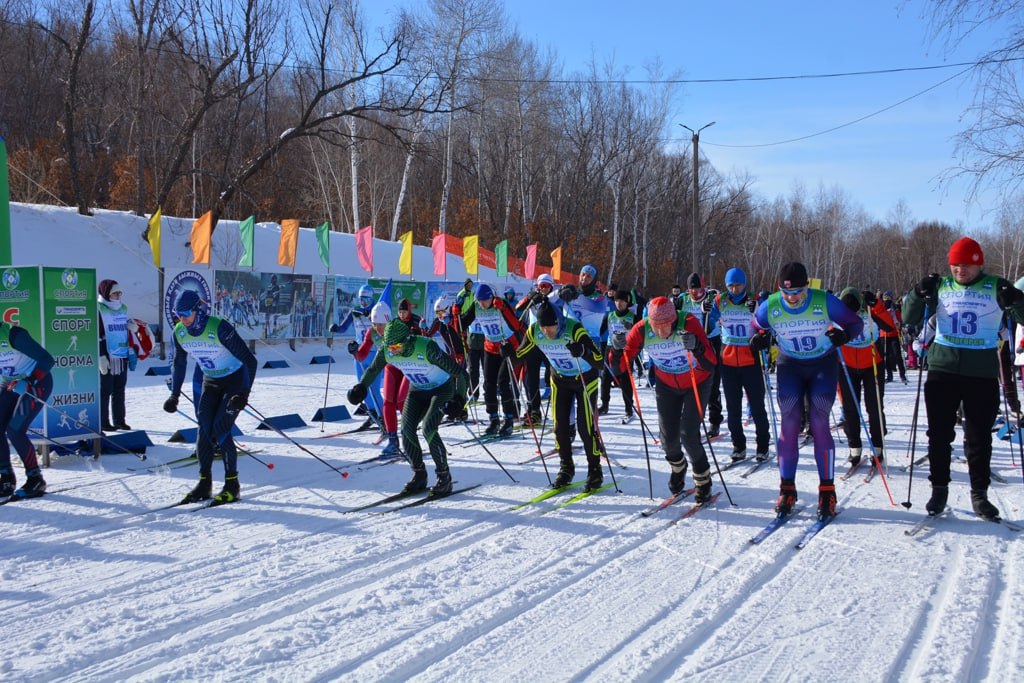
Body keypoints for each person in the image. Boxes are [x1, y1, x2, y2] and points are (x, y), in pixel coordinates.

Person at [902, 237, 1024, 519]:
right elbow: (910, 315)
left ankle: (979, 495)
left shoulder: (995, 285)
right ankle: (939, 489)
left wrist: (1016, 300)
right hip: (942, 369)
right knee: (939, 434)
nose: (960, 270)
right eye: (955, 265)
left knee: (979, 437)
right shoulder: (942, 285)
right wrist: (919, 292)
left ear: (978, 263)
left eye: (966, 265)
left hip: (980, 372)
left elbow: (1021, 315)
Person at [750, 262, 864, 520]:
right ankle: (787, 487)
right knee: (789, 422)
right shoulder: (773, 305)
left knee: (819, 420)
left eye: (798, 292)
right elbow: (754, 328)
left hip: (822, 364)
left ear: (807, 287)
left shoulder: (825, 301)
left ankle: (827, 491)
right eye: (787, 292)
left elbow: (855, 324)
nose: (792, 298)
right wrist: (758, 339)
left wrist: (843, 337)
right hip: (790, 365)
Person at [347, 319, 469, 496]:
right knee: (406, 430)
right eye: (389, 347)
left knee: (429, 428)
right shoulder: (388, 350)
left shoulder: (426, 347)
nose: (392, 351)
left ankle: (444, 477)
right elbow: (373, 370)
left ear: (407, 341)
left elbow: (460, 373)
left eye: (396, 347)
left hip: (441, 389)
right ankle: (419, 474)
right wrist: (361, 387)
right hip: (417, 390)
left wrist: (459, 400)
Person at [164, 290, 257, 505]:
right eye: (178, 314)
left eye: (186, 313)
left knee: (220, 428)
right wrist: (174, 395)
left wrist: (244, 394)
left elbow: (250, 361)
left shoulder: (218, 327)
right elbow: (178, 364)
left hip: (234, 380)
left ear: (197, 309)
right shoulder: (180, 332)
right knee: (204, 429)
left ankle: (232, 485)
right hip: (211, 381)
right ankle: (204, 484)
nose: (183, 319)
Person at [622, 296, 717, 503]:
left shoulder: (689, 322)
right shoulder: (641, 329)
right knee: (667, 440)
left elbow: (711, 363)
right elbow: (618, 366)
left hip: (696, 381)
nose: (661, 333)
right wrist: (616, 348)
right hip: (666, 384)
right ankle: (678, 466)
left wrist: (697, 348)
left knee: (689, 435)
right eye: (656, 327)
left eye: (666, 327)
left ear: (674, 320)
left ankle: (703, 480)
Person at [515, 301, 606, 491]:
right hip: (560, 380)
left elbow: (598, 361)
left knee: (584, 427)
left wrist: (582, 351)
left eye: (551, 326)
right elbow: (519, 354)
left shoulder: (574, 329)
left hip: (584, 378)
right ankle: (566, 469)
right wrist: (507, 352)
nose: (547, 332)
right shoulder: (534, 332)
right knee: (560, 427)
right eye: (544, 327)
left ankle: (595, 470)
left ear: (559, 321)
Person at [454, 283, 525, 436]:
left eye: (485, 300)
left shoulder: (499, 303)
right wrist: (456, 315)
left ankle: (508, 419)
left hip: (508, 347)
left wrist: (504, 309)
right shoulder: (476, 306)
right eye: (480, 301)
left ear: (491, 297)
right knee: (489, 384)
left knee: (503, 382)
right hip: (490, 348)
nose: (482, 304)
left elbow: (515, 325)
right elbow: (460, 327)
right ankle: (493, 419)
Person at [716, 268, 771, 463]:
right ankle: (738, 445)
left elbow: (768, 328)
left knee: (757, 406)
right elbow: (706, 324)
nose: (734, 288)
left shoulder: (756, 302)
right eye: (730, 285)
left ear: (744, 284)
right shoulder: (720, 301)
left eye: (737, 284)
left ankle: (763, 444)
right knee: (733, 408)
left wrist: (762, 338)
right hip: (728, 362)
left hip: (751, 361)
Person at [0, 322, 54, 499]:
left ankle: (35, 479)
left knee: (15, 430)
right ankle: (6, 478)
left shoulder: (13, 334)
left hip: (36, 383)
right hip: (10, 384)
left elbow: (47, 359)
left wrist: (30, 381)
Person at [836, 288, 886, 467]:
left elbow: (890, 325)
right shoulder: (837, 315)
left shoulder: (870, 312)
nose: (853, 313)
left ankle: (878, 448)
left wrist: (878, 305)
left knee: (874, 407)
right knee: (850, 408)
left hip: (872, 364)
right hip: (847, 366)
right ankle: (854, 448)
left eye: (855, 309)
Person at [352, 302, 406, 457]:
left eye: (381, 324)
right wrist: (355, 352)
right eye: (374, 324)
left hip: (404, 368)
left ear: (388, 321)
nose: (377, 328)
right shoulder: (372, 333)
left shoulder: (398, 330)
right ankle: (393, 441)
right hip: (389, 367)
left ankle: (410, 438)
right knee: (388, 403)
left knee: (402, 403)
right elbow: (362, 356)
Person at [677, 273, 724, 436]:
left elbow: (714, 322)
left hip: (710, 341)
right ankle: (692, 423)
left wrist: (707, 314)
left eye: (699, 289)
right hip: (689, 344)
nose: (696, 293)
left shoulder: (711, 298)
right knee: (691, 385)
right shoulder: (683, 299)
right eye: (692, 289)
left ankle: (715, 421)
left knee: (712, 384)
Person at [331, 284, 381, 430]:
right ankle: (372, 415)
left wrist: (371, 318)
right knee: (362, 388)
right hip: (359, 354)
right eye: (361, 299)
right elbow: (343, 327)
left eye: (366, 299)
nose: (363, 302)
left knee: (375, 388)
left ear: (372, 298)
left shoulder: (377, 311)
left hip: (376, 354)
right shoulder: (355, 312)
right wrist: (335, 328)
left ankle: (382, 417)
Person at [97, 279, 140, 431]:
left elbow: (120, 325)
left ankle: (119, 420)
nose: (118, 296)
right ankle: (103, 421)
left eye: (119, 293)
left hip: (121, 353)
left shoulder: (122, 308)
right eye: (115, 293)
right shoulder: (99, 309)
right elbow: (96, 333)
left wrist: (129, 325)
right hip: (107, 353)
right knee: (105, 389)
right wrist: (100, 355)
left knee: (119, 388)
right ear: (107, 294)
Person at [515, 273, 558, 423]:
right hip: (533, 342)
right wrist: (530, 298)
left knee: (554, 375)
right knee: (530, 378)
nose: (543, 289)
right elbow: (518, 309)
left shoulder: (555, 299)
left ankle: (559, 409)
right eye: (541, 286)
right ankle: (534, 410)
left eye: (546, 285)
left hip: (550, 342)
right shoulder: (533, 298)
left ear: (551, 286)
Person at [600, 290, 638, 419]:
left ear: (627, 302)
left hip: (626, 349)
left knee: (625, 379)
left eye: (622, 301)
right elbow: (600, 331)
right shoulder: (610, 315)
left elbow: (640, 333)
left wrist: (631, 327)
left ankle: (629, 407)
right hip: (611, 348)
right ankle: (604, 405)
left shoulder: (632, 316)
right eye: (617, 301)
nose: (619, 303)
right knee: (606, 377)